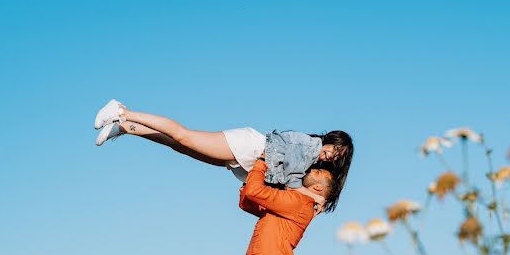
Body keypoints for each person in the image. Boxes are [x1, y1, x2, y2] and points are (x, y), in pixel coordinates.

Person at [92, 99, 353, 212]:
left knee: (179, 145)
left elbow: (290, 184)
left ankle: (126, 128)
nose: (331, 156)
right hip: (249, 145)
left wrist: (312, 195)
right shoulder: (311, 146)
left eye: (337, 157)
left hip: (244, 159)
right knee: (184, 135)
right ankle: (123, 111)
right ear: (331, 140)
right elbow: (288, 179)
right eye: (335, 149)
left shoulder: (310, 159)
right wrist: (311, 194)